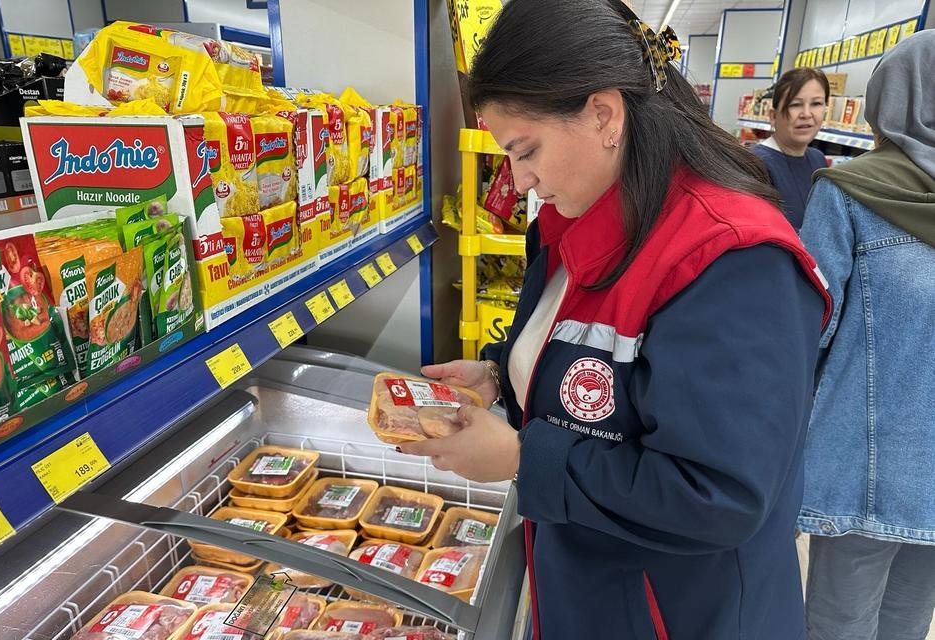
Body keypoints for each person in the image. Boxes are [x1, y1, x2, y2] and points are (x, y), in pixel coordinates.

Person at [398, 1, 831, 638]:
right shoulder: (570, 219)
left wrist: (523, 458)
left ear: (604, 113)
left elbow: (716, 494)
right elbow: (593, 367)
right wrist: (502, 374)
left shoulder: (734, 261)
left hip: (685, 612)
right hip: (591, 589)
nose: (518, 182)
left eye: (526, 150)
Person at [797, 31, 935, 640]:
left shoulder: (849, 192)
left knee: (838, 623)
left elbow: (808, 327)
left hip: (863, 462)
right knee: (908, 621)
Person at [751, 68, 830, 230]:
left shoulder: (818, 159)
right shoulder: (756, 164)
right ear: (773, 116)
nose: (806, 114)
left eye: (816, 103)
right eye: (795, 104)